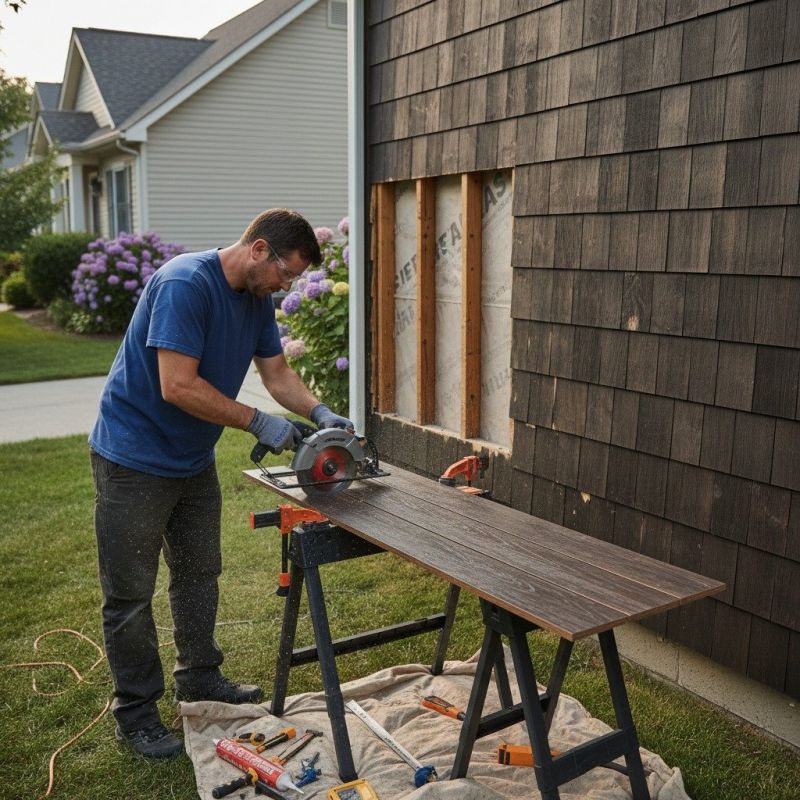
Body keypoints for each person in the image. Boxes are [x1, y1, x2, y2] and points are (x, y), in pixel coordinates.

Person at [89, 208, 353, 759]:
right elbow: (177, 386)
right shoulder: (186, 284)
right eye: (285, 273)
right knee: (131, 595)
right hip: (133, 459)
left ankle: (200, 677)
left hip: (191, 459)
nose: (285, 288)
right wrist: (257, 422)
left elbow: (276, 374)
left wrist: (321, 411)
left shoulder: (256, 299)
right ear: (259, 250)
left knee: (199, 573)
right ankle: (135, 714)